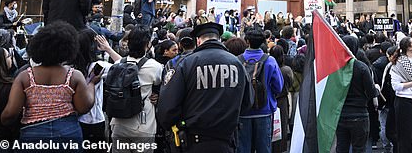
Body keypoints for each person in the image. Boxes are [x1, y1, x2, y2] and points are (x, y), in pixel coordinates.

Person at [157, 23, 253, 153]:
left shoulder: (185, 63)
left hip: (193, 140)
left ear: (198, 40)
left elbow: (168, 108)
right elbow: (248, 102)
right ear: (219, 39)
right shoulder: (237, 64)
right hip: (226, 139)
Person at [1, 22, 97, 144]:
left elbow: (11, 113)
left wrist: (2, 123)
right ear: (69, 49)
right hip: (68, 133)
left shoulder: (25, 77)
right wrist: (92, 84)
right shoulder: (74, 75)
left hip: (33, 134)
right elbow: (84, 107)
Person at [110, 25, 163, 152]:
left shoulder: (118, 64)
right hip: (143, 125)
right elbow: (161, 85)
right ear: (147, 45)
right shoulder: (155, 67)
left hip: (118, 123)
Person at [238, 30, 284, 153]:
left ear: (247, 41)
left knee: (243, 148)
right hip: (264, 110)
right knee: (264, 148)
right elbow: (278, 87)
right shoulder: (270, 61)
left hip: (243, 111)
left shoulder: (238, 61)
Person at [74, 29, 121, 146]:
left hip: (75, 119)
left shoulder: (70, 67)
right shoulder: (98, 67)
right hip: (94, 119)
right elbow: (124, 66)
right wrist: (108, 49)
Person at [335, 36, 378, 153]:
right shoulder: (362, 67)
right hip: (359, 114)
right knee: (359, 148)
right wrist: (376, 90)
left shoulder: (335, 68)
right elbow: (371, 92)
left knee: (341, 147)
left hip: (340, 114)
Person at [269, 45, 293, 153]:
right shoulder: (286, 70)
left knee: (270, 127)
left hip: (270, 100)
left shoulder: (268, 67)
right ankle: (281, 149)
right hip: (282, 100)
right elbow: (291, 83)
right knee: (282, 126)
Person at [0, 46, 19, 144]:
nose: (11, 58)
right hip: (4, 138)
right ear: (1, 61)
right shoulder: (10, 87)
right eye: (9, 56)